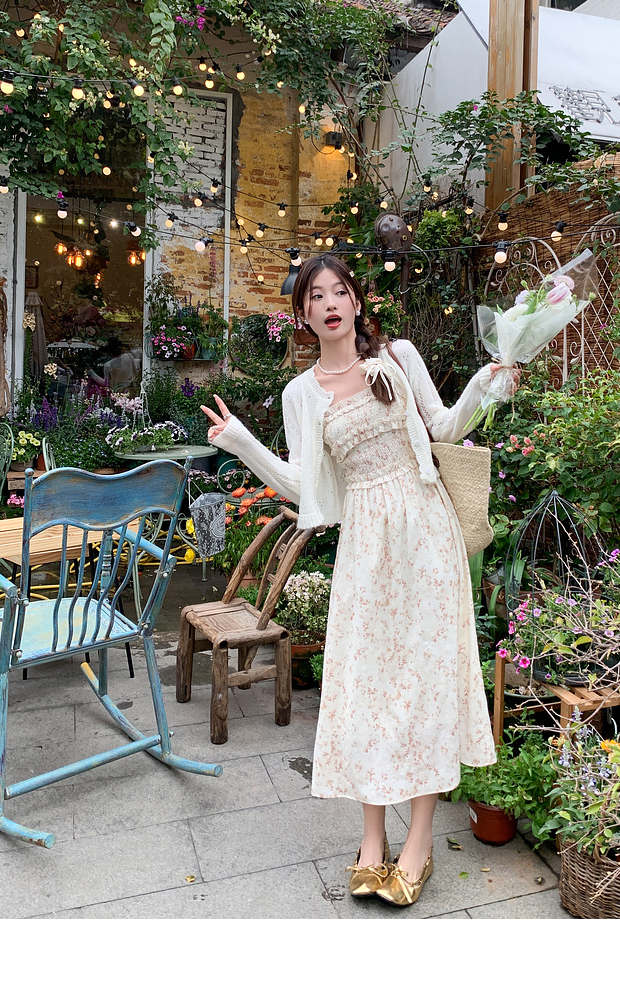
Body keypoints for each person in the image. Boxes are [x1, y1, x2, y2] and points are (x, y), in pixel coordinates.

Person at [201, 254, 519, 908]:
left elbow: (444, 427)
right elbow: (303, 485)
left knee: (424, 680)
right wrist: (240, 442)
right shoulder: (301, 394)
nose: (329, 303)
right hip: (366, 545)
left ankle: (420, 841)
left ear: (355, 302)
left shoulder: (397, 357)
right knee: (370, 684)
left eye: (339, 291)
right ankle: (372, 841)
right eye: (316, 295)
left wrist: (486, 385)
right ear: (303, 313)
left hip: (425, 533)